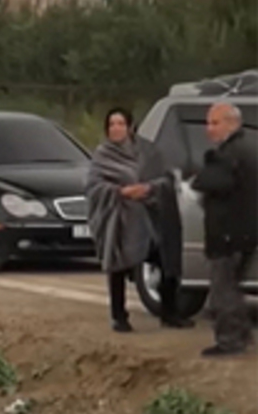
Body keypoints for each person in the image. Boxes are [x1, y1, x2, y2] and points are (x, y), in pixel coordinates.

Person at [86, 108, 193, 332]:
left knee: (165, 261)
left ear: (131, 126)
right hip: (119, 219)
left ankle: (169, 312)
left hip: (149, 217)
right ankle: (119, 316)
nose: (116, 129)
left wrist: (148, 188)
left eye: (120, 124)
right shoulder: (102, 155)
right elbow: (93, 187)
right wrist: (120, 192)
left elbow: (165, 178)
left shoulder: (147, 151)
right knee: (117, 267)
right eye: (112, 124)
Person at [192, 102, 257, 357]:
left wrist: (202, 172)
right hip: (246, 232)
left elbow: (209, 182)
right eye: (208, 123)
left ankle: (230, 341)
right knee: (233, 288)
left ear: (232, 123)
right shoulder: (250, 149)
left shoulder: (228, 155)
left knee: (223, 291)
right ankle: (242, 335)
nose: (209, 129)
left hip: (228, 233)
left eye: (215, 123)